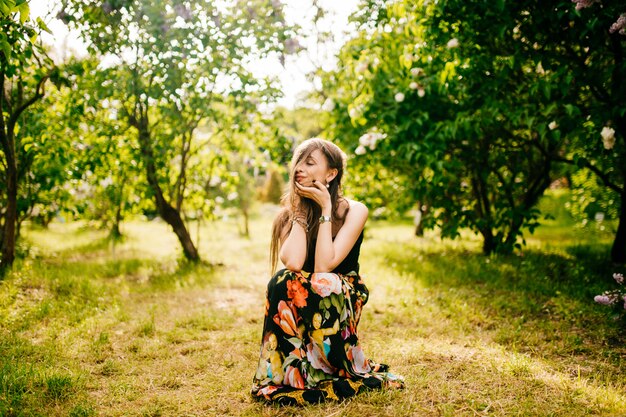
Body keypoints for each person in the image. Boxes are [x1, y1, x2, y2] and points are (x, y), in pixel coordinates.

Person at [251, 138, 404, 405]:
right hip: (307, 297)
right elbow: (294, 263)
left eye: (310, 163)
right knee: (281, 281)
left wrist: (325, 210)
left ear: (331, 174)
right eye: (298, 161)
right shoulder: (290, 213)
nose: (300, 168)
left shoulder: (354, 210)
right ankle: (289, 373)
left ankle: (332, 365)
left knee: (323, 280)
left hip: (341, 296)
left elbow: (325, 266)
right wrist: (300, 210)